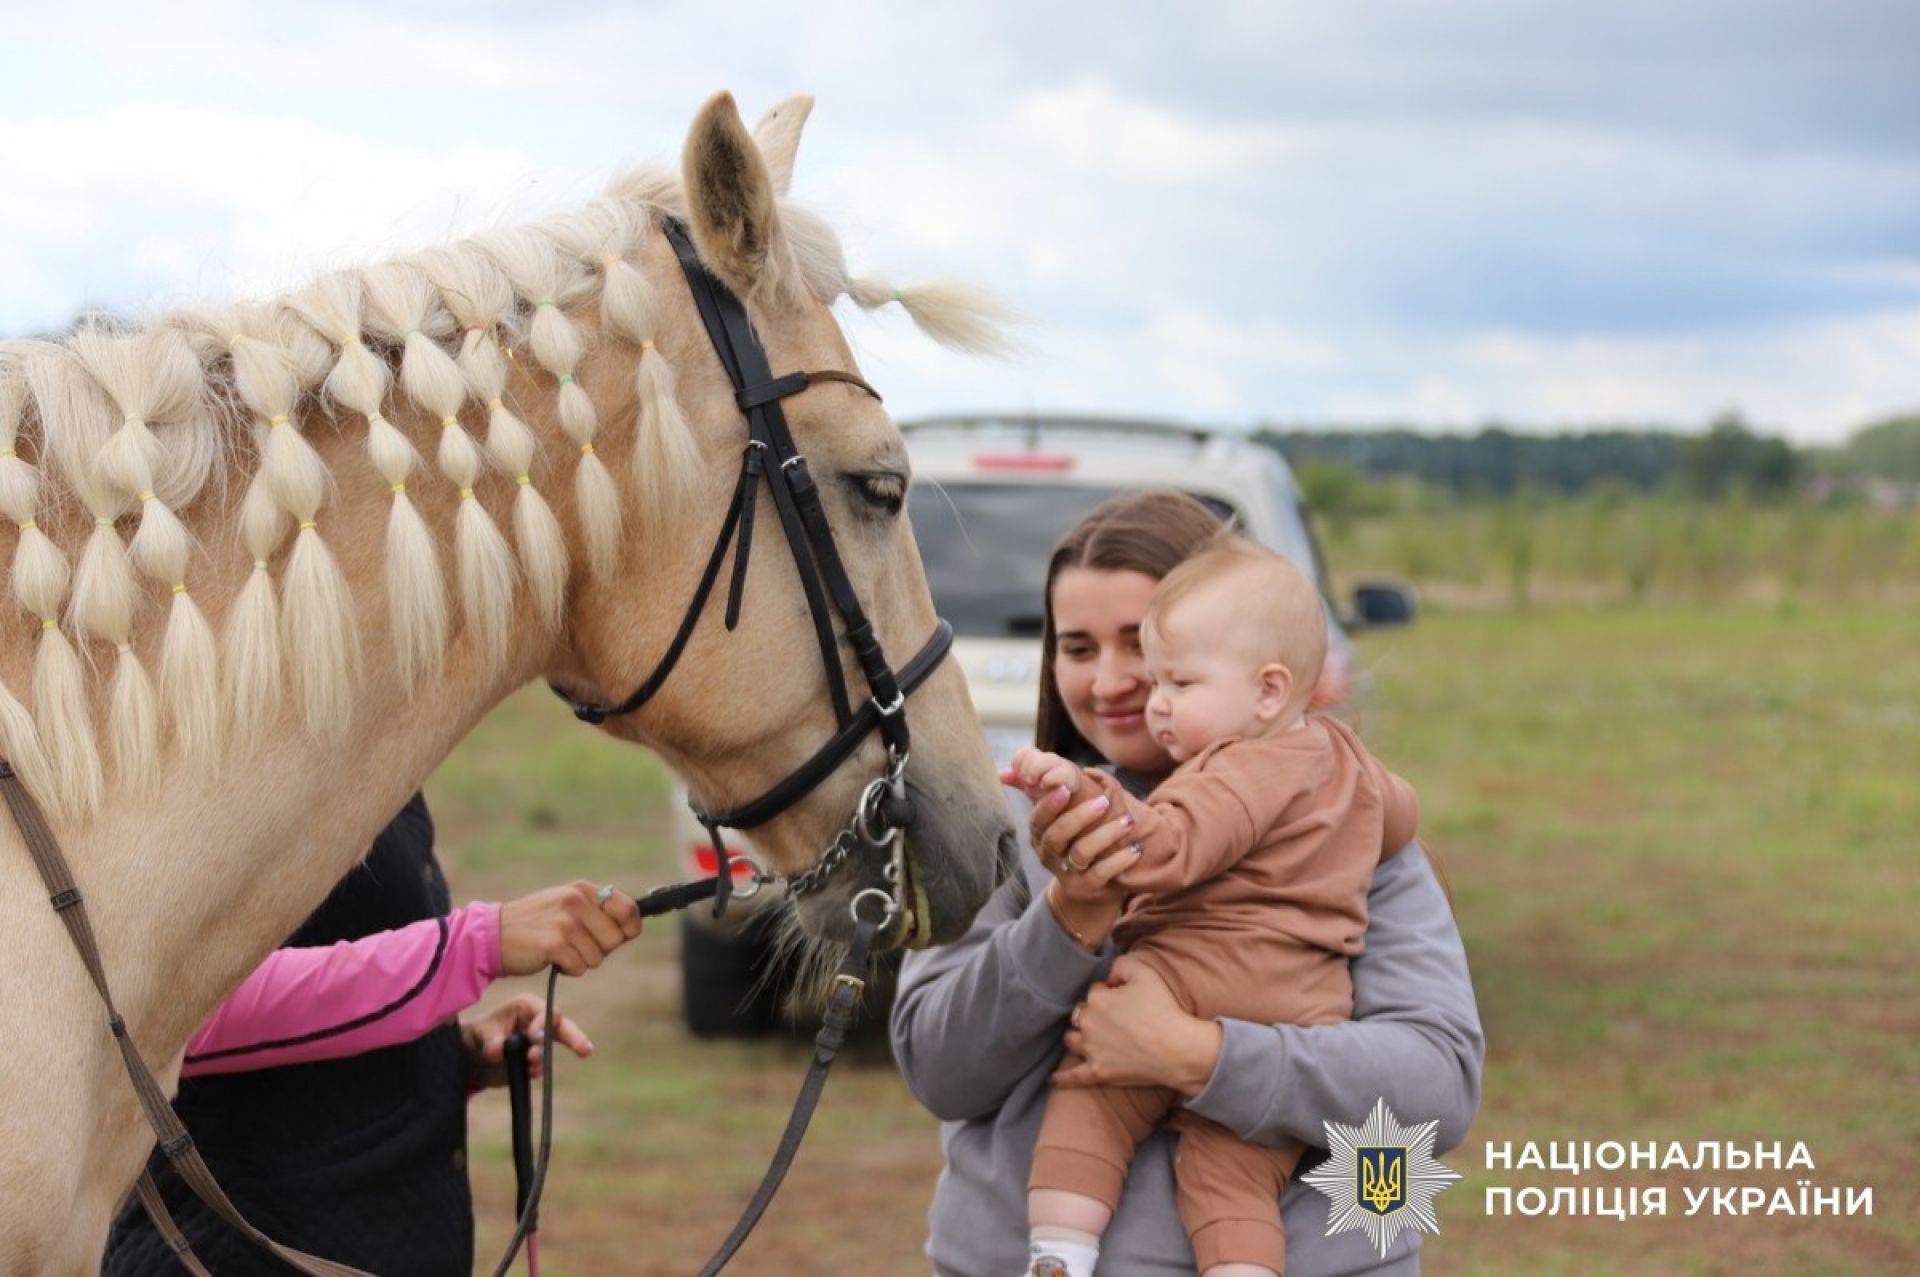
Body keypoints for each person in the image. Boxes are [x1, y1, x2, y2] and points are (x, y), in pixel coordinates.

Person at [891, 490, 1483, 1277]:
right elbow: (940, 1069)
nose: (1110, 680)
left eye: (1139, 643)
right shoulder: (1009, 827)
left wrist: (1200, 1055)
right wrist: (1067, 920)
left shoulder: (1349, 826)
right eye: (1077, 647)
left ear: (1254, 660)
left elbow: (1436, 1089)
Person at [1008, 536, 1419, 1277]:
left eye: (1180, 683)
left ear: (1267, 692)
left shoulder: (1237, 768)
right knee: (1231, 1175)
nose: (1156, 702)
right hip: (1303, 1009)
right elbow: (1399, 821)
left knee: (1093, 1104)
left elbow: (1167, 845)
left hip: (1196, 979)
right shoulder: (1349, 761)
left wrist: (1080, 791)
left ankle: (1057, 1256)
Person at [101, 792, 643, 1275]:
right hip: (233, 1251)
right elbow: (164, 1018)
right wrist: (473, 947)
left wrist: (454, 1054)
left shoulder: (382, 766)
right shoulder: (205, 768)